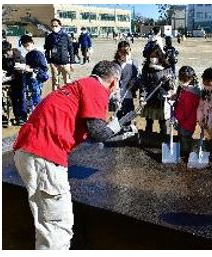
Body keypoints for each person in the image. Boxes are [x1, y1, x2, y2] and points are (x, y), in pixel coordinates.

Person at [13, 61, 127, 250]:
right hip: (45, 156)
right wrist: (115, 126)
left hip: (28, 151)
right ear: (114, 82)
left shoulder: (80, 85)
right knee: (57, 229)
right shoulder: (97, 88)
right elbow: (97, 133)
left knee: (46, 225)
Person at [140, 44, 175, 135]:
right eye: (151, 56)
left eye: (155, 56)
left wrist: (167, 81)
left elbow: (171, 85)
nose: (153, 58)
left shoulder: (167, 68)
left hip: (161, 98)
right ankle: (148, 138)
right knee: (149, 121)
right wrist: (142, 96)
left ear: (160, 56)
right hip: (150, 98)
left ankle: (163, 139)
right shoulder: (146, 68)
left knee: (162, 122)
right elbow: (143, 83)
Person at [173, 66, 201, 156]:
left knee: (185, 139)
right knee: (181, 137)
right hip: (182, 121)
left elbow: (186, 110)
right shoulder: (185, 89)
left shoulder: (191, 94)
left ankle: (185, 155)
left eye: (185, 80)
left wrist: (176, 118)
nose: (182, 81)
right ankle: (183, 153)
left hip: (187, 122)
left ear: (191, 79)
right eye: (181, 79)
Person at [19, 35, 49, 113]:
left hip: (36, 79)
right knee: (31, 97)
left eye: (28, 45)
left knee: (36, 97)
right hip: (29, 78)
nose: (26, 47)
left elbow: (44, 68)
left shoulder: (38, 54)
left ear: (32, 43)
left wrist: (31, 69)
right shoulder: (28, 55)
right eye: (24, 46)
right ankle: (34, 113)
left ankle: (41, 113)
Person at [44, 18, 75, 91]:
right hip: (54, 63)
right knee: (55, 82)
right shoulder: (49, 37)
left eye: (56, 25)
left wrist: (72, 62)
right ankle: (55, 97)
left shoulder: (66, 36)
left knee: (67, 81)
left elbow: (71, 49)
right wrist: (49, 61)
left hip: (65, 62)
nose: (54, 27)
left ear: (60, 26)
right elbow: (47, 49)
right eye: (52, 26)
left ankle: (68, 97)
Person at [112, 41, 140, 120]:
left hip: (128, 95)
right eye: (122, 52)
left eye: (127, 52)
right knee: (117, 118)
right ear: (118, 52)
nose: (124, 55)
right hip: (117, 96)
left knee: (128, 118)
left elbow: (138, 77)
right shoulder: (114, 64)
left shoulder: (134, 63)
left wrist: (134, 82)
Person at [3, 38, 27, 125]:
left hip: (21, 78)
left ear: (10, 50)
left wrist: (20, 68)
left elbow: (25, 67)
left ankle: (23, 117)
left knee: (21, 98)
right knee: (13, 98)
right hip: (10, 80)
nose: (5, 55)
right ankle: (17, 116)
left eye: (6, 53)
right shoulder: (4, 57)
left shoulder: (18, 55)